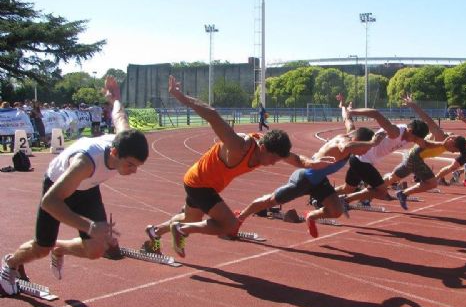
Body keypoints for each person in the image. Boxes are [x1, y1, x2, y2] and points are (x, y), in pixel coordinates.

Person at [142, 76, 333, 257]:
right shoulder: (239, 146)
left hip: (204, 182)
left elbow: (296, 160)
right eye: (273, 159)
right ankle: (182, 231)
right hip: (199, 183)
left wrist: (314, 164)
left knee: (189, 218)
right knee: (229, 225)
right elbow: (213, 116)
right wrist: (181, 97)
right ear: (264, 148)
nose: (274, 163)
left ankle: (155, 233)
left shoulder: (268, 149)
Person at [1, 76, 149, 296]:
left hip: (87, 189)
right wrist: (90, 226)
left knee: (96, 249)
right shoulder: (85, 162)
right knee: (42, 247)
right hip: (58, 187)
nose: (133, 171)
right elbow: (50, 202)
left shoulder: (123, 138)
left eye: (137, 166)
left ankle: (60, 248)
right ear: (115, 153)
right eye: (130, 165)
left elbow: (119, 115)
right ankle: (10, 264)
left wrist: (115, 97)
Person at [236, 96, 387, 238]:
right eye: (365, 148)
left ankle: (311, 216)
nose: (365, 152)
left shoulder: (352, 133)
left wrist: (342, 105)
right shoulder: (344, 143)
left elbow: (347, 118)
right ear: (358, 140)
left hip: (319, 181)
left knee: (336, 211)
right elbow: (345, 146)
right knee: (270, 201)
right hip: (304, 178)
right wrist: (372, 143)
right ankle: (240, 217)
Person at [335, 97, 443, 207]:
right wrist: (352, 111)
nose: (415, 142)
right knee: (381, 191)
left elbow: (425, 143)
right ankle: (346, 200)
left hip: (359, 159)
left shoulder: (411, 135)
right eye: (415, 139)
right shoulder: (395, 132)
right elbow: (375, 113)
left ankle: (323, 197)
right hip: (363, 161)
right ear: (410, 131)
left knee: (347, 188)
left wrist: (442, 144)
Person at [380, 95, 459, 209]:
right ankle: (402, 193)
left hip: (412, 156)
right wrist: (413, 105)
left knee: (393, 178)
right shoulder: (440, 136)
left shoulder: (448, 143)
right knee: (432, 183)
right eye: (454, 149)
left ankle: (371, 189)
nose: (453, 152)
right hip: (414, 157)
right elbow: (428, 120)